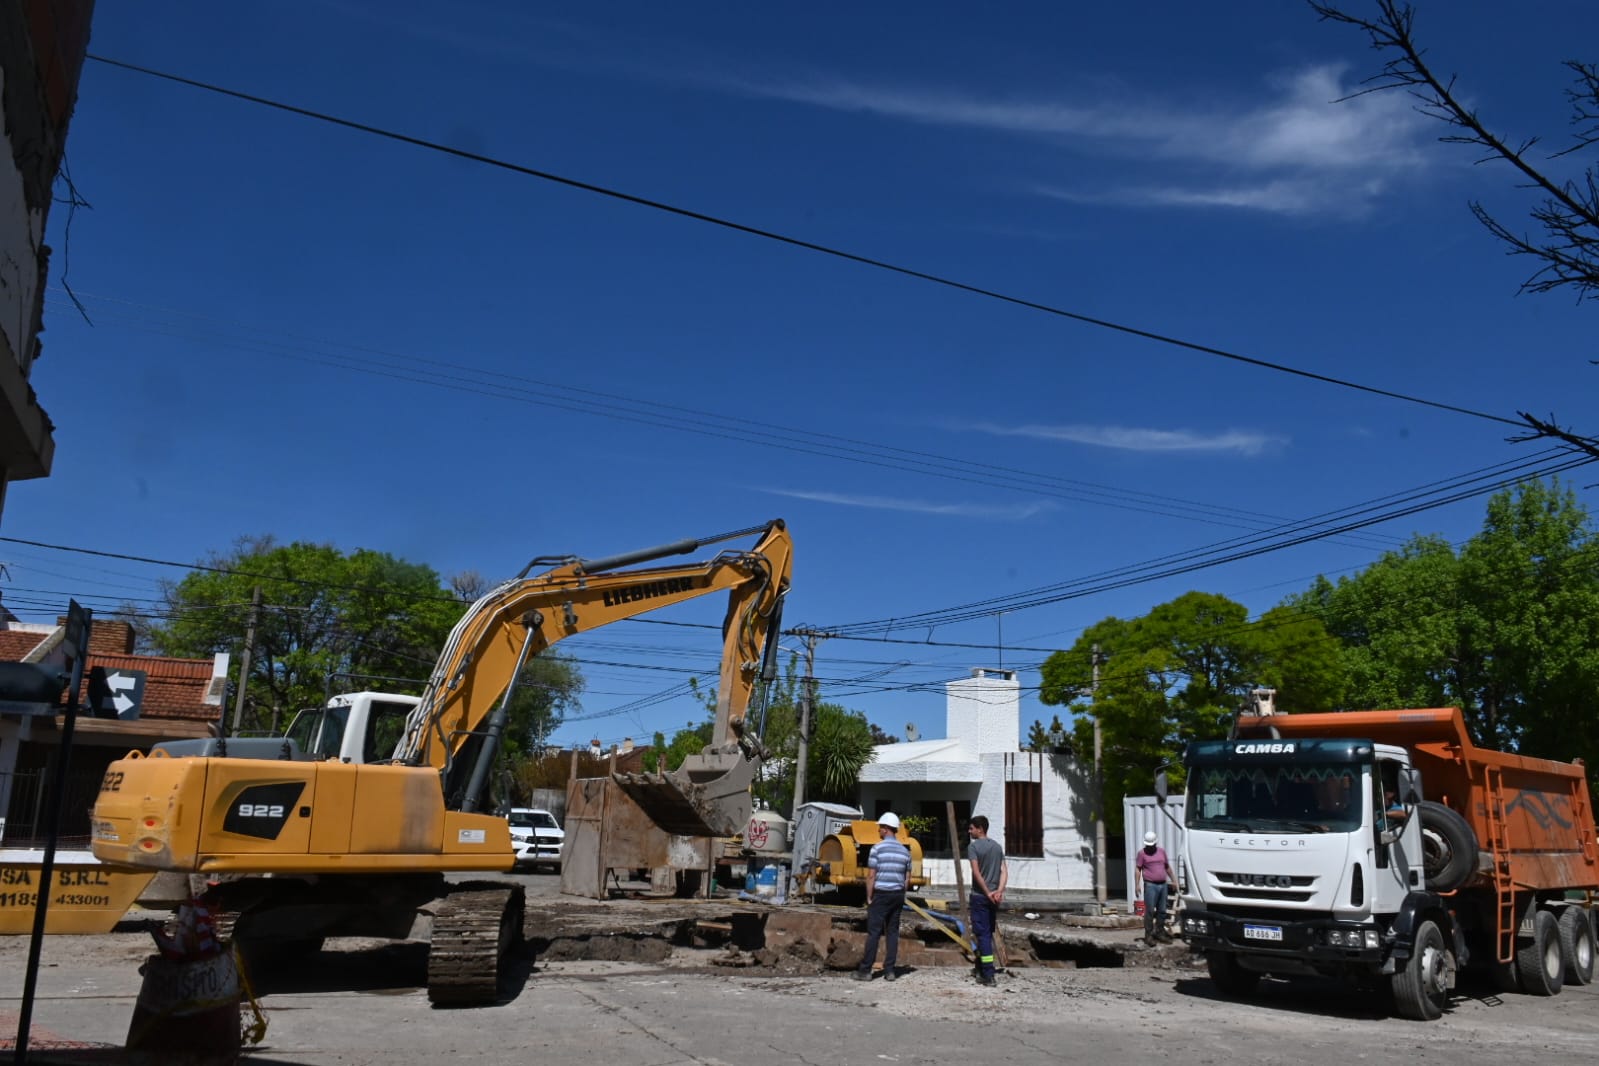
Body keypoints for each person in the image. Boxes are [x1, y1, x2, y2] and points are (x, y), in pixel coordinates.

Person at [855, 811, 912, 982]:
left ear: (886, 829)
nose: (879, 830)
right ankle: (889, 971)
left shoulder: (877, 849)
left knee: (874, 932)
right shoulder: (905, 851)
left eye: (880, 828)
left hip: (881, 894)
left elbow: (871, 875)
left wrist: (869, 897)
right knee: (892, 932)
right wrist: (901, 893)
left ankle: (865, 971)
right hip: (897, 895)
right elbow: (907, 879)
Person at [966, 815, 1008, 987]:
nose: (969, 831)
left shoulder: (973, 847)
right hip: (993, 898)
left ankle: (988, 974)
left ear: (980, 829)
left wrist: (988, 892)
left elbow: (976, 873)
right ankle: (980, 967)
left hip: (980, 896)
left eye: (971, 828)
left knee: (981, 934)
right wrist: (999, 891)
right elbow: (1004, 872)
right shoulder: (997, 847)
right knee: (987, 933)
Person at [1134, 830, 1174, 944]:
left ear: (1156, 843)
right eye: (1148, 845)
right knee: (1150, 911)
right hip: (1150, 885)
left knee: (1162, 910)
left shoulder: (1161, 852)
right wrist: (1137, 884)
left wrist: (1174, 880)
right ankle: (1148, 935)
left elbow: (1167, 867)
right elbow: (1138, 869)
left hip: (1163, 884)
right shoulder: (1142, 854)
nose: (1150, 847)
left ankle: (1159, 932)